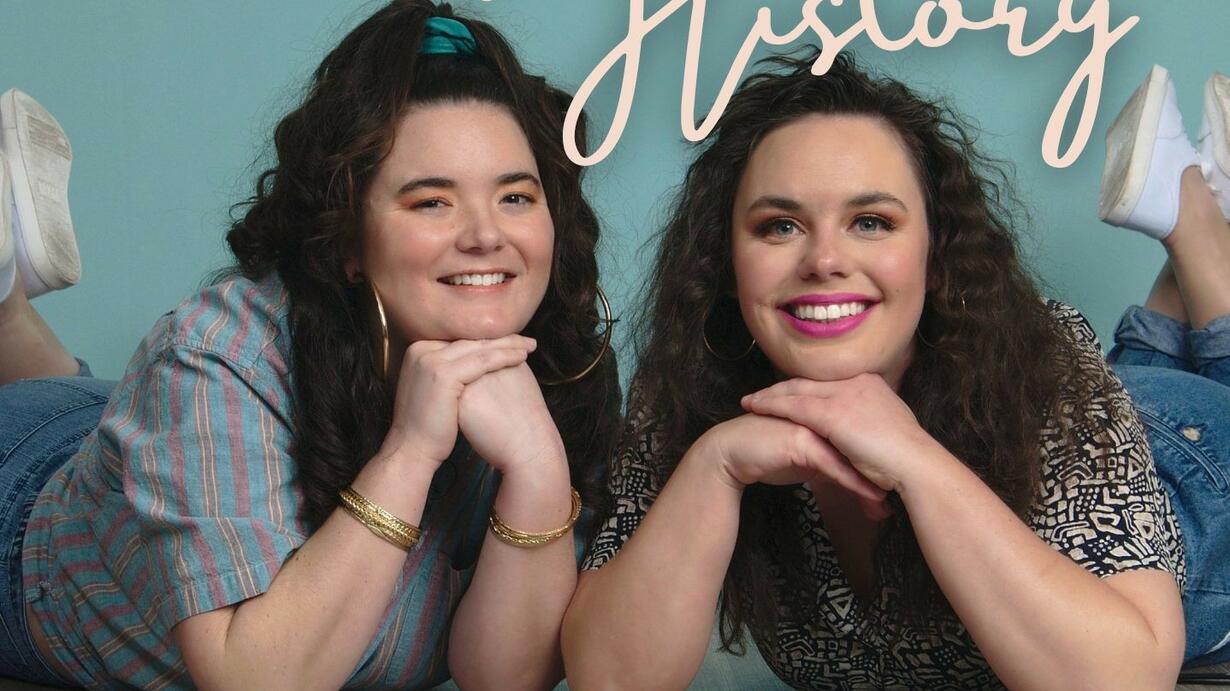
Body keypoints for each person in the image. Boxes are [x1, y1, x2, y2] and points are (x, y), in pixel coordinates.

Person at [561, 52, 1230, 690]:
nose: (824, 260)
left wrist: (913, 456)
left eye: (871, 221)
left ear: (937, 258)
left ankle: (1195, 220)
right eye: (780, 226)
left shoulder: (1039, 370)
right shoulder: (688, 391)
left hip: (1187, 458)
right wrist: (716, 466)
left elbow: (1121, 678)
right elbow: (612, 678)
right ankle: (1182, 260)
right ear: (727, 265)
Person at [0, 2, 619, 689]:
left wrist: (537, 470)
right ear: (349, 239)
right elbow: (254, 677)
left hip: (147, 432)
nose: (485, 235)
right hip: (25, 506)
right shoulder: (216, 354)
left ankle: (7, 301)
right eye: (431, 201)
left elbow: (505, 679)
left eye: (516, 197)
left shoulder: (564, 364)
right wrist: (411, 451)